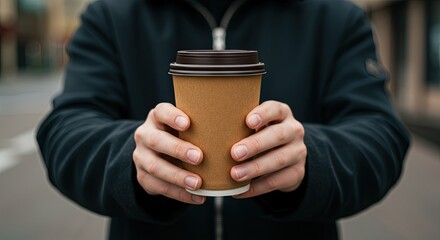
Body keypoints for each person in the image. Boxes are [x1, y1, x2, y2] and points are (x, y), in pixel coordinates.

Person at [36, 0, 410, 239]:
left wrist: (310, 160)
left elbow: (381, 136)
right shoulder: (111, 15)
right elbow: (65, 130)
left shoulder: (336, 17)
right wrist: (131, 159)